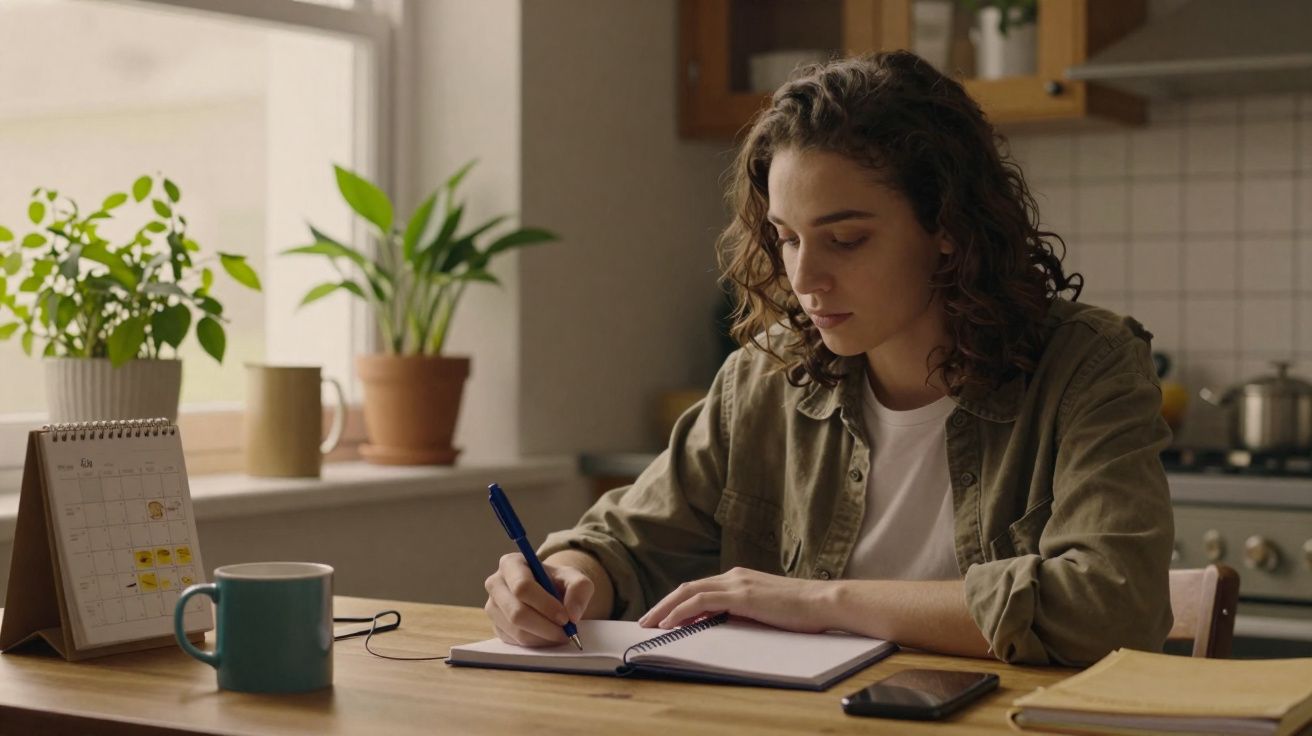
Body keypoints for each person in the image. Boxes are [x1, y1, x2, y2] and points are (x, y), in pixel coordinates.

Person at [482, 50, 1174, 666]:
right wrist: (563, 579)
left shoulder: (1088, 367)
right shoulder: (763, 377)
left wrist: (820, 601)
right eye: (786, 238)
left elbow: (1109, 607)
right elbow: (627, 541)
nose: (804, 279)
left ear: (948, 230)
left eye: (845, 240)